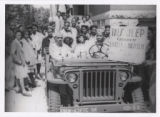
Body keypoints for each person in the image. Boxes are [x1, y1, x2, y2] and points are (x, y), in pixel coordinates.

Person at [10, 30, 31, 96]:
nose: (19, 36)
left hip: (22, 62)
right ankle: (23, 90)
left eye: (20, 35)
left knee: (20, 76)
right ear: (15, 35)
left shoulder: (19, 42)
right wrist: (18, 61)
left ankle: (18, 88)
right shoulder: (14, 42)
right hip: (18, 62)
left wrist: (25, 60)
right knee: (21, 76)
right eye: (18, 35)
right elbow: (13, 54)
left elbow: (22, 53)